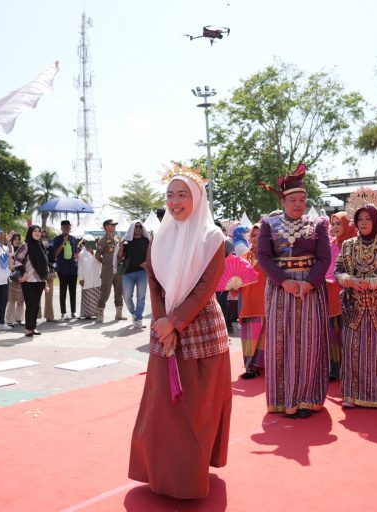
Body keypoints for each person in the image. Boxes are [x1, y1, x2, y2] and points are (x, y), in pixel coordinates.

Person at [129, 167, 231, 499]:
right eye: (170, 195)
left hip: (200, 332)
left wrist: (175, 323)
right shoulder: (160, 236)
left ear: (197, 198)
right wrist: (162, 322)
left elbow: (205, 289)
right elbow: (155, 281)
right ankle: (162, 475)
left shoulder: (213, 238)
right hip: (164, 332)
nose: (175, 202)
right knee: (164, 409)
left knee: (195, 411)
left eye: (182, 194)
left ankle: (188, 478)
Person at [257, 164, 330, 418]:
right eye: (293, 199)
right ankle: (282, 398)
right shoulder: (269, 223)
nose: (298, 204)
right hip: (280, 288)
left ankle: (308, 398)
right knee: (281, 342)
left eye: (302, 199)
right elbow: (263, 257)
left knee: (309, 342)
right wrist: (283, 281)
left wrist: (309, 283)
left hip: (310, 287)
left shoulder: (318, 223)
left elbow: (324, 259)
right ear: (283, 199)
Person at [335, 199, 377, 408]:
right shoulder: (347, 245)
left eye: (368, 219)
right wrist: (349, 280)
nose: (364, 223)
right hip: (354, 305)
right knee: (353, 350)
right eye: (360, 219)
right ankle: (352, 394)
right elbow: (337, 271)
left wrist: (375, 282)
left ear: (376, 221)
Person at [327, 211, 357, 379]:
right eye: (333, 224)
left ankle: (351, 369)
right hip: (331, 295)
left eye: (339, 223)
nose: (335, 227)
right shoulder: (329, 246)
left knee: (348, 334)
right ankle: (334, 369)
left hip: (350, 295)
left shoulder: (354, 245)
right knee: (332, 332)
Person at [238, 223, 267, 379]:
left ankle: (265, 365)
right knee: (250, 336)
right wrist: (233, 285)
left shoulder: (271, 256)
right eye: (254, 235)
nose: (256, 238)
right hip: (248, 303)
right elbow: (235, 285)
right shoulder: (244, 258)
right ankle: (251, 368)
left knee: (265, 337)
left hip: (267, 302)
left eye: (260, 235)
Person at [14, 226, 50, 336]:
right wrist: (23, 272)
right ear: (30, 233)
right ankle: (28, 328)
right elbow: (17, 259)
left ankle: (33, 327)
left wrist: (45, 281)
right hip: (28, 280)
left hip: (39, 280)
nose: (37, 233)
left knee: (36, 306)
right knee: (30, 304)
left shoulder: (41, 245)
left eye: (39, 231)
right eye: (35, 231)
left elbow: (44, 264)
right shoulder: (26, 245)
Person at [120, 220, 149, 328]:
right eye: (136, 227)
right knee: (127, 297)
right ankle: (134, 313)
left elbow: (151, 255)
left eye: (140, 227)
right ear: (132, 228)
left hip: (142, 272)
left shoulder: (147, 241)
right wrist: (120, 249)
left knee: (141, 297)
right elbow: (120, 258)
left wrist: (147, 263)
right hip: (128, 273)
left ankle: (138, 318)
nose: (138, 229)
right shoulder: (127, 241)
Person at [95, 219, 125, 322]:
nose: (114, 226)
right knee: (105, 292)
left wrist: (121, 252)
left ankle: (119, 314)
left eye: (114, 225)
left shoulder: (118, 239)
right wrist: (106, 263)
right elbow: (97, 255)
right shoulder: (102, 240)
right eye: (112, 225)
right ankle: (100, 315)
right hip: (108, 270)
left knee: (119, 292)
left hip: (118, 270)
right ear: (106, 227)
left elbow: (121, 255)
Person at [52, 220, 79, 320]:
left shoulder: (73, 239)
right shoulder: (57, 239)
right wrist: (63, 242)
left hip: (73, 268)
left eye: (68, 226)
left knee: (73, 291)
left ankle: (73, 312)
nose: (66, 228)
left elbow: (75, 252)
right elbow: (55, 254)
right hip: (62, 269)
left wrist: (77, 260)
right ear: (61, 228)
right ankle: (63, 313)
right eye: (64, 227)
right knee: (63, 291)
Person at [77, 236, 102, 319]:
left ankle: (97, 313)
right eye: (84, 242)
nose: (86, 244)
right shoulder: (81, 253)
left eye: (88, 242)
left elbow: (101, 261)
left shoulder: (97, 251)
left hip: (96, 277)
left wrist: (93, 253)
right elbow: (79, 266)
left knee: (97, 296)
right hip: (86, 278)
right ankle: (87, 314)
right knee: (87, 296)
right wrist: (80, 278)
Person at [6, 233, 25, 326]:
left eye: (19, 239)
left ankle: (19, 319)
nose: (17, 241)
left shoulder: (23, 251)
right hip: (13, 278)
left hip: (22, 278)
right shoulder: (10, 251)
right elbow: (10, 266)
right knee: (11, 300)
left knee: (21, 300)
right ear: (12, 241)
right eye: (15, 239)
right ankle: (9, 320)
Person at [41, 228, 57, 322]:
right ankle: (35, 316)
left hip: (49, 271)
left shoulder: (50, 247)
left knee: (49, 295)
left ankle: (49, 316)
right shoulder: (34, 245)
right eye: (41, 234)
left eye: (44, 234)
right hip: (37, 272)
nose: (42, 236)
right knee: (36, 296)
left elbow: (53, 258)